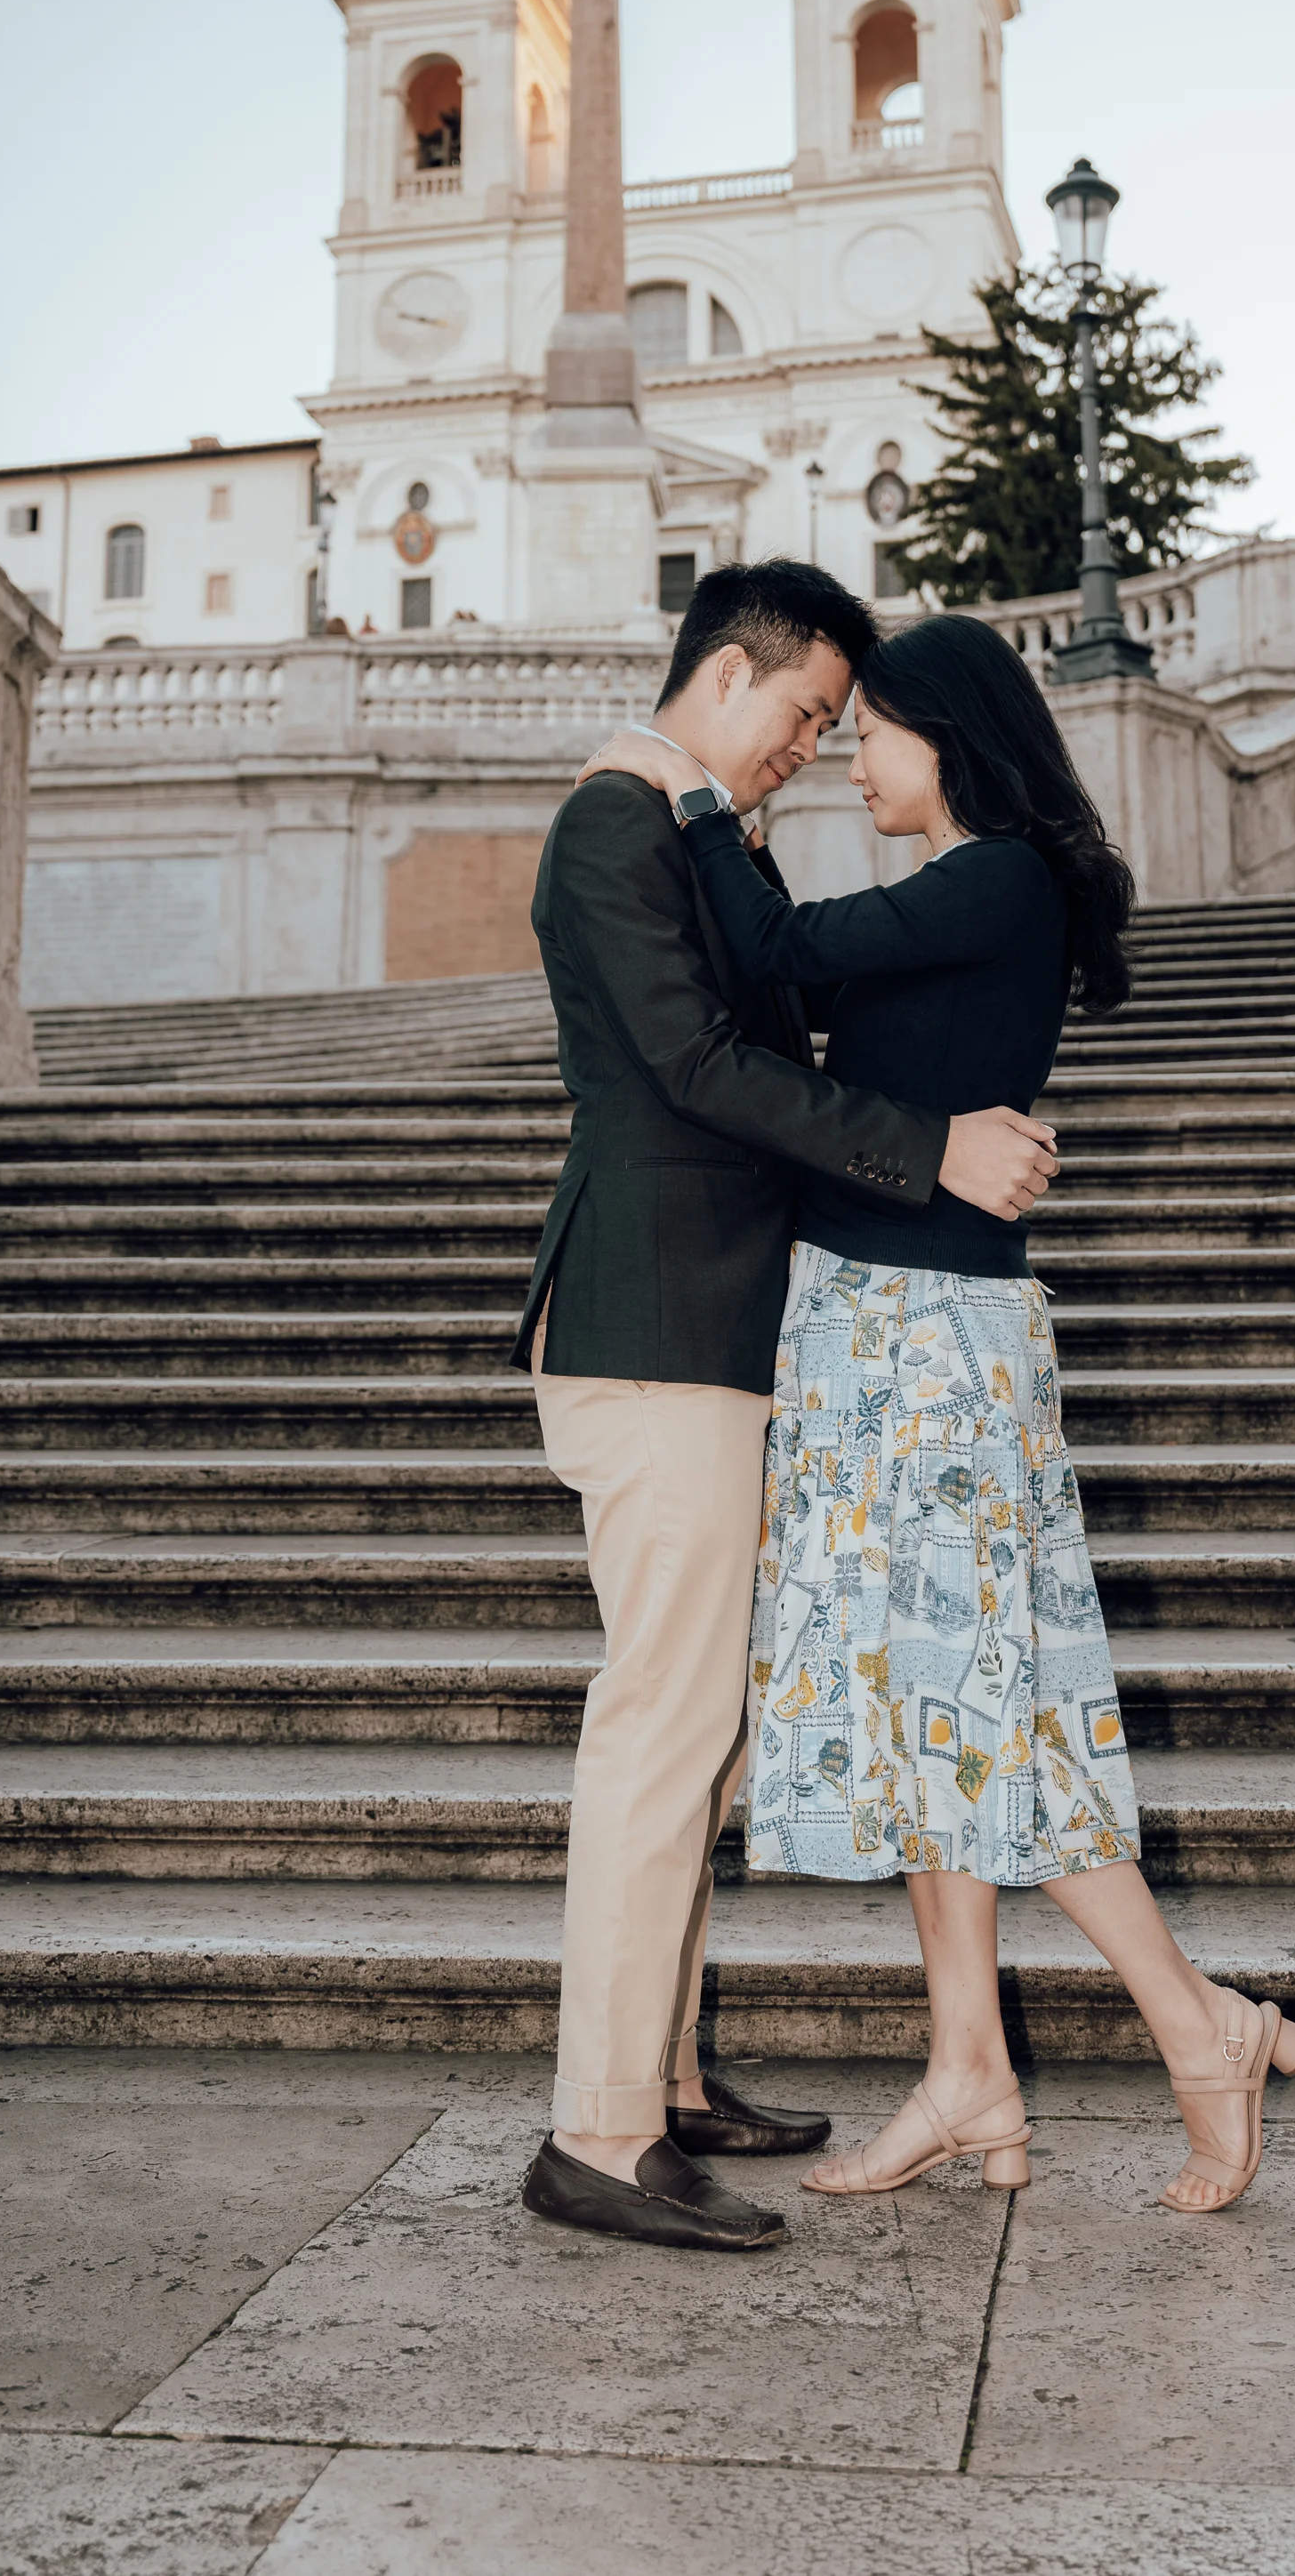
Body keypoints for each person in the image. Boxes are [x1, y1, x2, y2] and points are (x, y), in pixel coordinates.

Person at [581, 610, 1295, 2218]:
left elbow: (773, 960)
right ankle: (969, 2068)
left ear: (950, 739)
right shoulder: (973, 890)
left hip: (924, 1335)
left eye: (874, 729)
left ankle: (1198, 2028)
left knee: (978, 1708)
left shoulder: (992, 880)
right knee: (934, 1716)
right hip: (875, 1322)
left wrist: (688, 795)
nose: (850, 752)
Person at [512, 562, 1061, 2256]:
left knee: (709, 1736)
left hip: (728, 1333)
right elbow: (692, 1067)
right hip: (652, 1325)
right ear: (733, 677)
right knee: (663, 1732)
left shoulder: (707, 838)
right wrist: (931, 1148)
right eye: (810, 716)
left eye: (844, 726)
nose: (816, 752)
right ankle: (598, 2131)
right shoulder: (617, 820)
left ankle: (664, 2078)